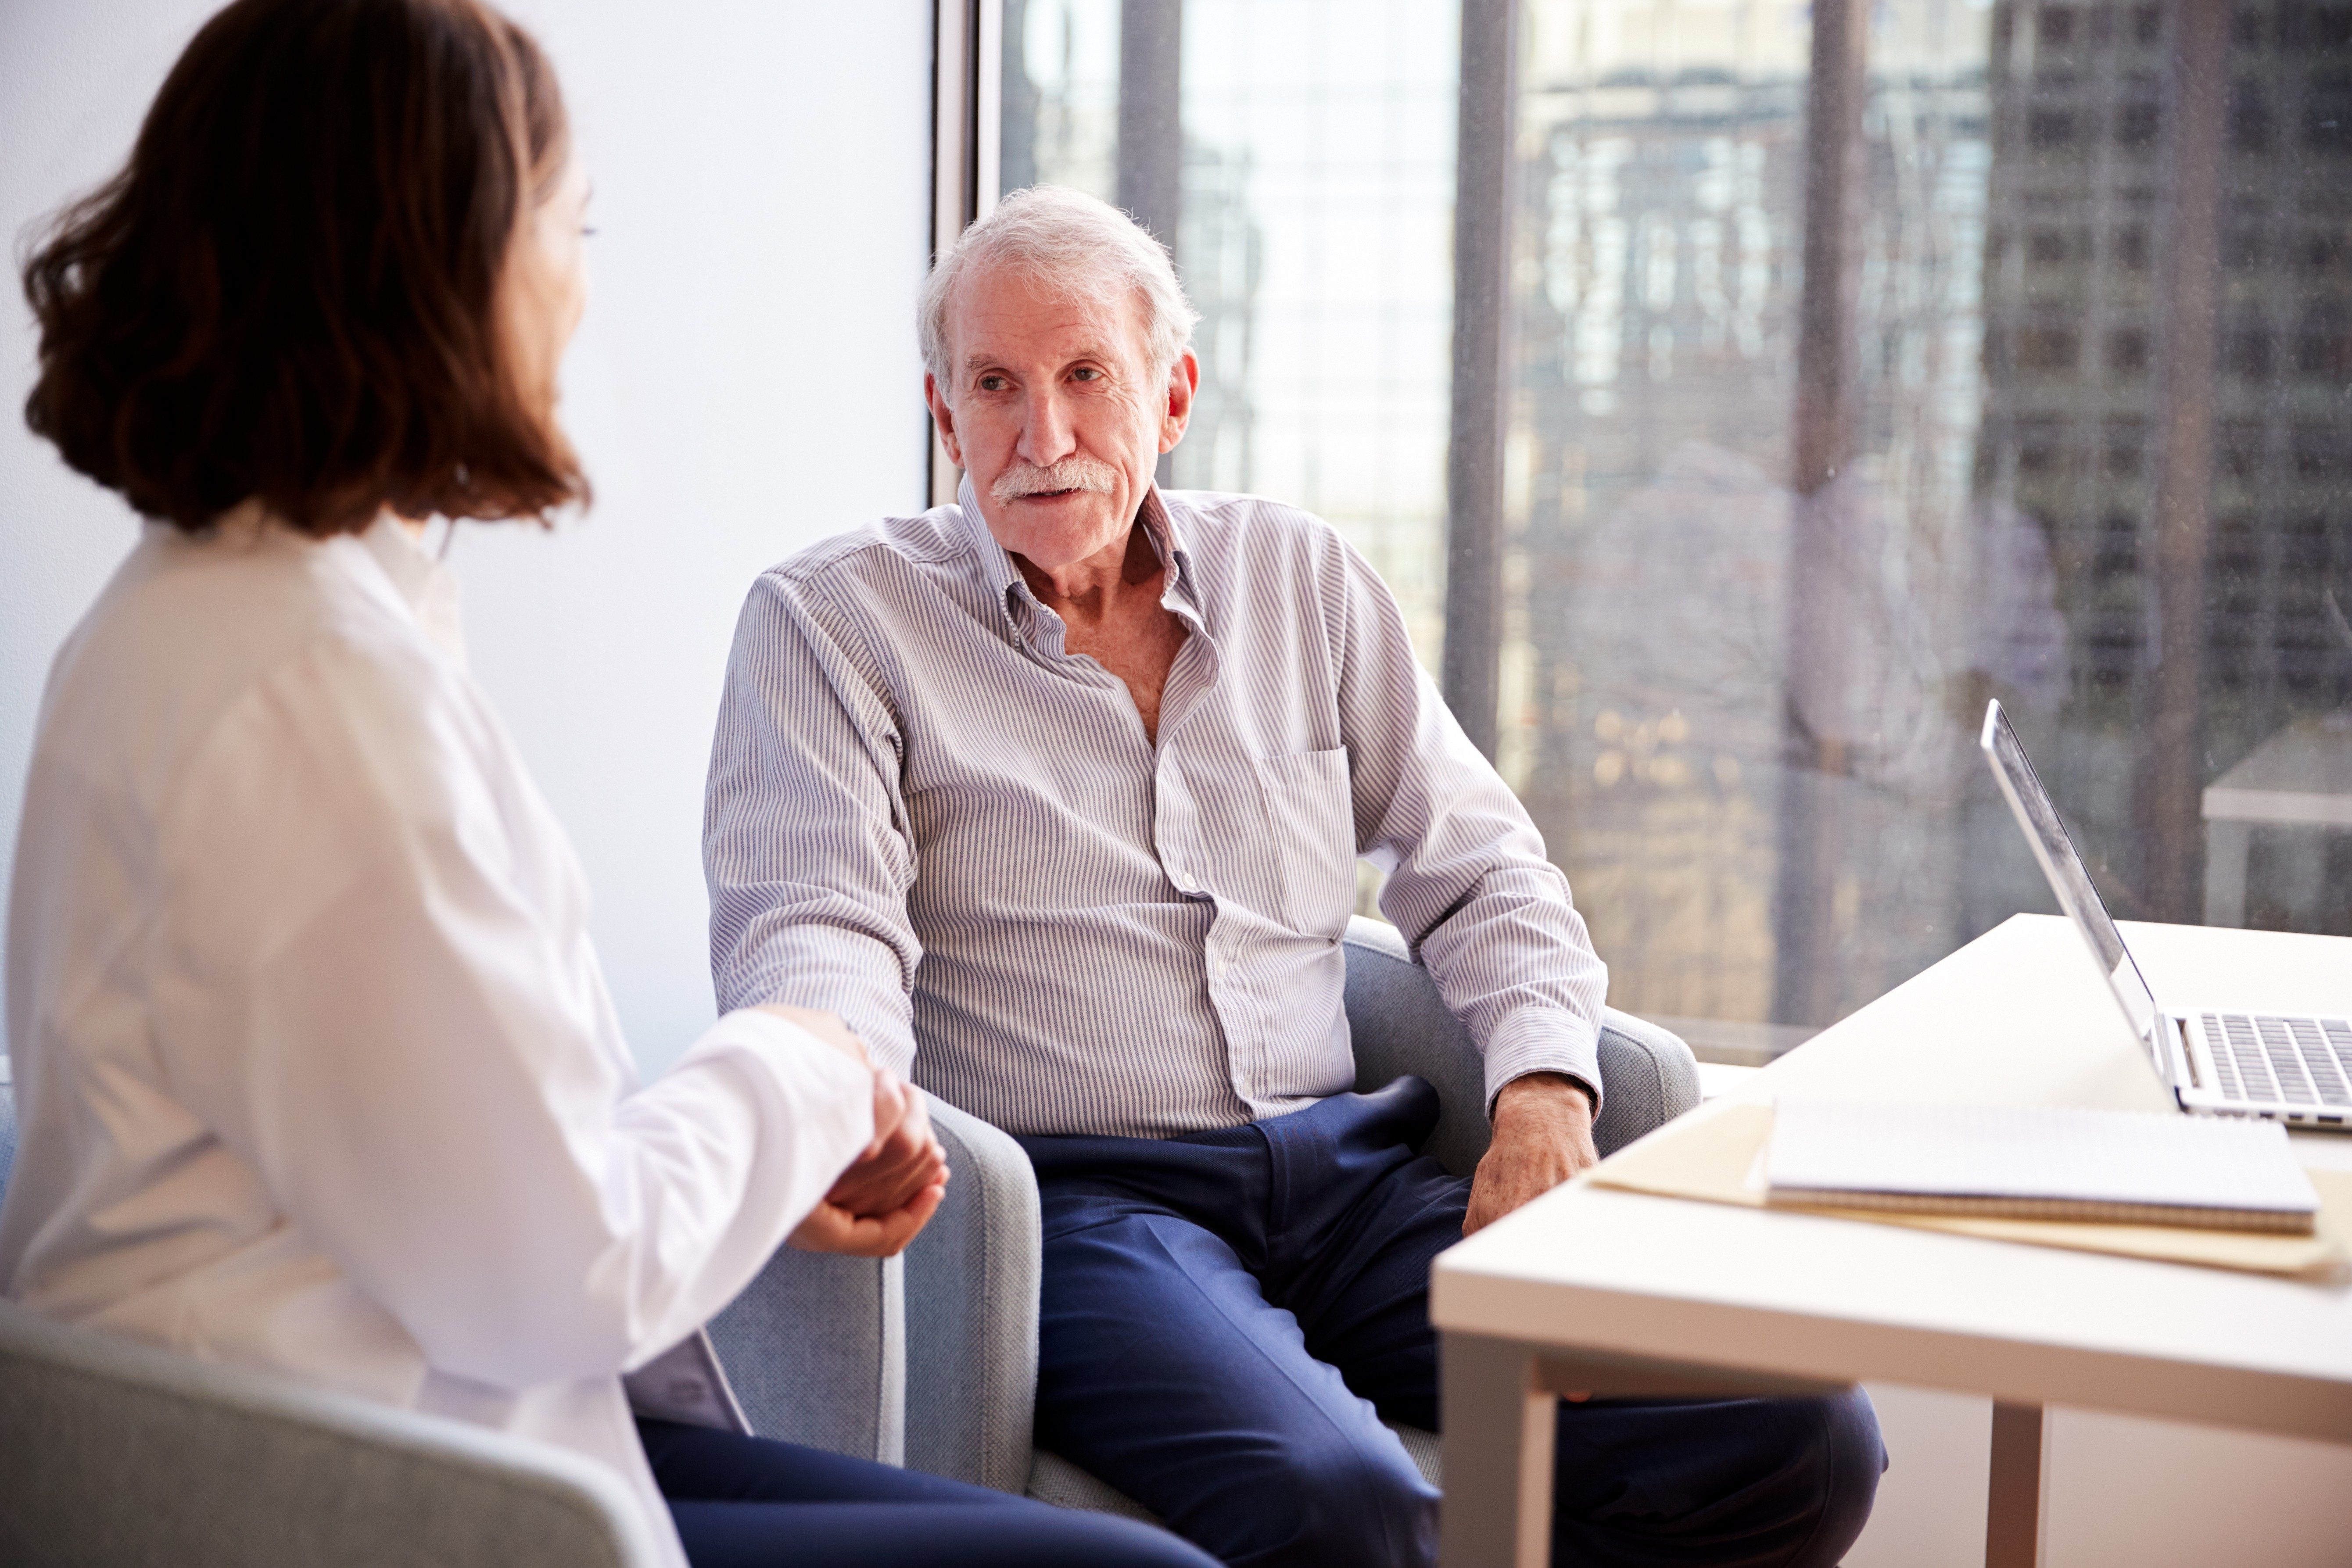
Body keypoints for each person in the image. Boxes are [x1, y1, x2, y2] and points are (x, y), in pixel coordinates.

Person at [0, 6, 1215, 1567]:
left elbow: (460, 1144)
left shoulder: (206, 616)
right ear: (432, 267)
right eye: (564, 224)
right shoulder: (312, 694)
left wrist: (768, 1149)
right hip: (352, 1488)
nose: (580, 284)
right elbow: (571, 1266)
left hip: (389, 1404)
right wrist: (811, 1065)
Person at [705, 183, 1886, 1568]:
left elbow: (1480, 863)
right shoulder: (835, 623)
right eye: (994, 386)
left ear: (1174, 393)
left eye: (1088, 375)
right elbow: (815, 930)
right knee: (1348, 1503)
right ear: (942, 412)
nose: (1044, 436)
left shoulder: (1299, 578)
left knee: (1799, 1433)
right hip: (1088, 1212)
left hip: (1352, 1183)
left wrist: (1545, 1092)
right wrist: (849, 1094)